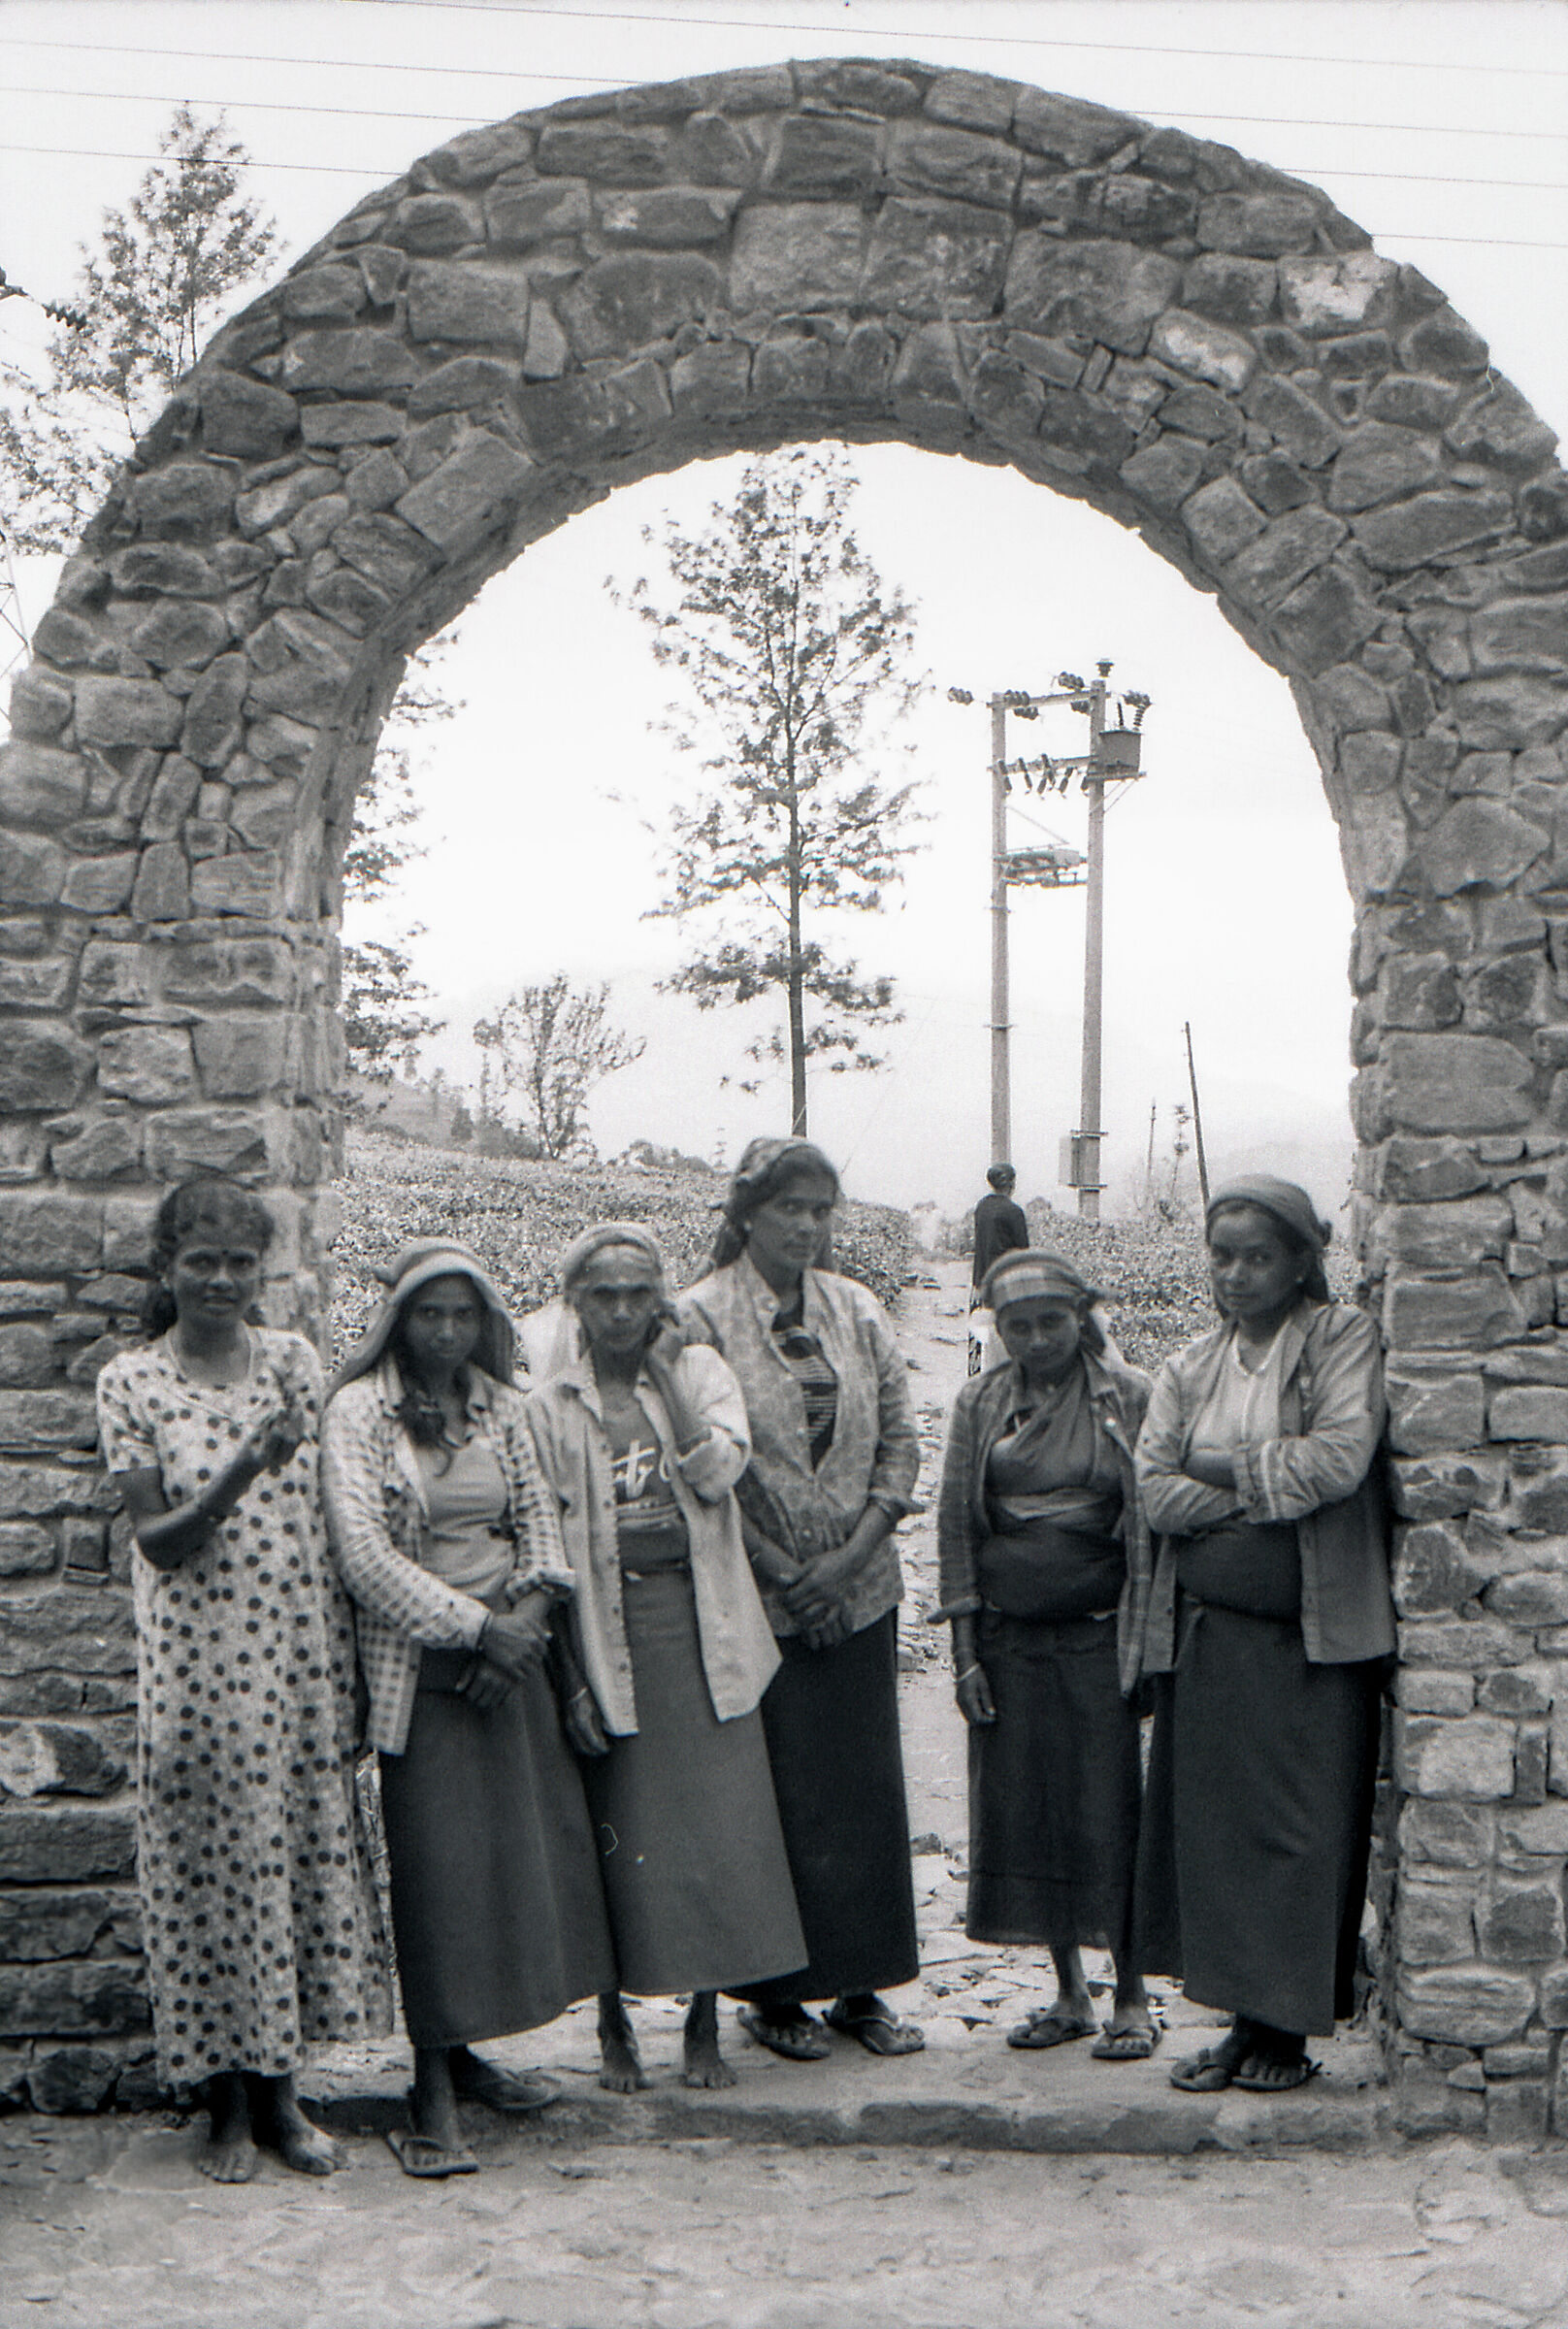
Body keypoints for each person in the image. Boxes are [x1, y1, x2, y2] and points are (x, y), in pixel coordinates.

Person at [95, 1177, 390, 2183]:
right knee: (212, 1878)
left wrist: (347, 1671)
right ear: (167, 1268)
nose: (220, 1281)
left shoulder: (295, 1365)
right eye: (200, 1263)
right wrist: (234, 1474)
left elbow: (327, 1529)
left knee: (292, 1873)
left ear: (261, 1272)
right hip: (197, 1671)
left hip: (296, 1666)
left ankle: (284, 2096)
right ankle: (222, 2106)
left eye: (238, 1264)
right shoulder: (131, 1382)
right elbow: (158, 1542)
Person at [321, 1241, 615, 2178]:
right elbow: (363, 1558)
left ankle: (475, 2054)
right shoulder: (359, 1413)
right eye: (427, 1314)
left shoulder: (504, 1407)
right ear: (397, 1320)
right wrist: (475, 1631)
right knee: (441, 1878)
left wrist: (522, 1624)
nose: (446, 1332)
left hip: (511, 1665)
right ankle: (431, 2086)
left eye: (462, 1315)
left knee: (508, 1871)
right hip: (427, 1674)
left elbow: (542, 1527)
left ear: (486, 1322)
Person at [528, 1224, 806, 2092]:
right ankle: (613, 2021)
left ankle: (703, 2023)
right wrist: (567, 1671)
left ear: (661, 1300)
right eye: (602, 1295)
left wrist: (660, 1378)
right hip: (603, 1632)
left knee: (713, 1832)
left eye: (637, 1294)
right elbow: (541, 1532)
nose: (620, 1311)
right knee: (617, 1828)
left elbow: (717, 1475)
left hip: (698, 1626)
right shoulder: (549, 1395)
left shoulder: (699, 1372)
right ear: (575, 1301)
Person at [1132, 1176, 1393, 2095]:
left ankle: (1286, 2033)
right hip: (1213, 1642)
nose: (1236, 1274)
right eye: (1222, 1255)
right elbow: (1152, 1486)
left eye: (1258, 1256)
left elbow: (1337, 1458)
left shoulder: (1340, 1340)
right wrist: (1245, 1491)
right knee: (1222, 1838)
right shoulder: (1190, 1366)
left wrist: (1212, 1468)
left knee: (1299, 1833)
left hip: (1309, 1644)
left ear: (1301, 1261)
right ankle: (1243, 2027)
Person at [682, 1136, 924, 2061]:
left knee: (862, 1789)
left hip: (858, 1592)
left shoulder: (856, 1310)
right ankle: (774, 1993)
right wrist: (784, 1570)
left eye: (824, 1210)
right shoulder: (701, 1318)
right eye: (792, 1209)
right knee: (778, 1790)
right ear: (747, 1214)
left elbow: (899, 1440)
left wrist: (851, 1557)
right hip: (758, 1591)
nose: (810, 1227)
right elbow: (702, 1463)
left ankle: (862, 1989)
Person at [936, 1250, 1159, 2058]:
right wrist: (965, 1655)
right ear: (998, 1331)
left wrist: (1145, 1649)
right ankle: (1068, 1993)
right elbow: (958, 1531)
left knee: (1108, 1808)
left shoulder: (1127, 1397)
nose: (1036, 1340)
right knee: (1029, 1810)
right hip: (1007, 1639)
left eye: (1051, 1323)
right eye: (1017, 1326)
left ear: (1082, 1317)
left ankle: (1132, 1995)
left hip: (1100, 1632)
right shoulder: (981, 1403)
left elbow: (1147, 1532)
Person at [968, 1165, 1029, 1377]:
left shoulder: (982, 1207)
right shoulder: (1014, 1212)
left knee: (980, 1335)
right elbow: (1023, 1253)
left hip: (981, 1280)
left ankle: (977, 1381)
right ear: (1012, 1184)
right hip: (1006, 1283)